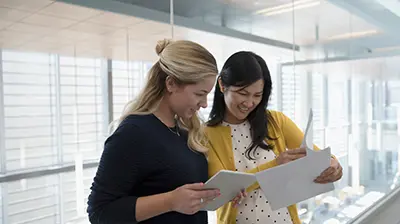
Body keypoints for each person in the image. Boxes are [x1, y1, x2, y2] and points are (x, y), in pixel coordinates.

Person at [87, 39, 221, 224]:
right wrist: (170, 202)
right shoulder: (133, 133)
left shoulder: (183, 132)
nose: (205, 103)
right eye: (199, 94)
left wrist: (220, 192)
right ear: (171, 84)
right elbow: (100, 212)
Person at [204, 51, 343, 224]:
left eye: (257, 95)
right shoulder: (207, 134)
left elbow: (315, 156)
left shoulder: (276, 121)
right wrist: (275, 166)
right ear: (222, 85)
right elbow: (222, 191)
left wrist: (333, 164)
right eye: (242, 93)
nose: (249, 103)